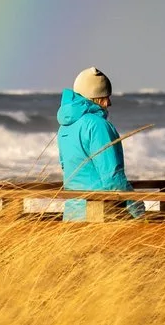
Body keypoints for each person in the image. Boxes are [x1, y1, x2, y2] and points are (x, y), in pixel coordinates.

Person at [57, 67, 144, 221]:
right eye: (106, 96)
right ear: (96, 98)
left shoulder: (65, 126)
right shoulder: (98, 125)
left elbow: (66, 167)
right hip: (100, 215)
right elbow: (112, 177)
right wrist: (138, 210)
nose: (109, 103)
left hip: (72, 213)